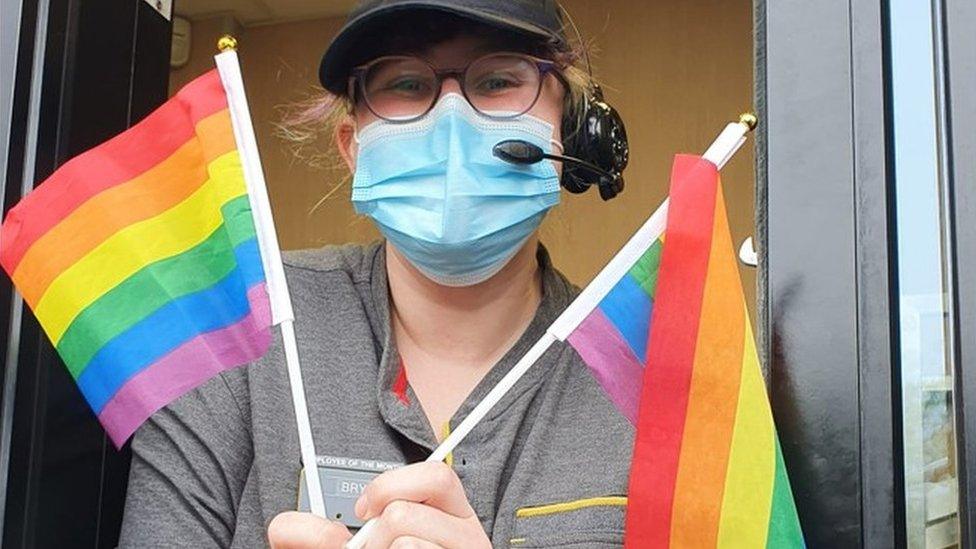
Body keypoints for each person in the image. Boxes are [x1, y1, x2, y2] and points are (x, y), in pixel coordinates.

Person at [119, 1, 633, 547]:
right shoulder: (237, 328)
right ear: (354, 149)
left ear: (573, 133)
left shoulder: (645, 381)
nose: (452, 118)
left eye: (498, 80)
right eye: (407, 84)